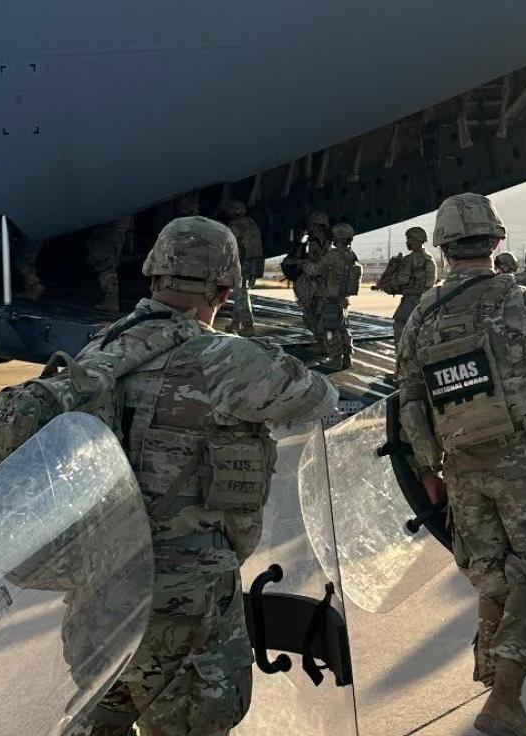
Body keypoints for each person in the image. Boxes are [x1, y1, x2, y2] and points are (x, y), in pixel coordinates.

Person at [63, 216, 338, 736]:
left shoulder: (98, 352)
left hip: (99, 592)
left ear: (153, 278)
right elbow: (320, 396)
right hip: (186, 599)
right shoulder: (224, 360)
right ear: (225, 287)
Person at [396, 194, 526, 736]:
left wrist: (429, 467)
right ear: (496, 241)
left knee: (489, 571)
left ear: (443, 248)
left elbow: (410, 397)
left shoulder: (422, 316)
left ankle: (489, 669)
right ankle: (505, 697)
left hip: (460, 466)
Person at [378, 226, 438, 341]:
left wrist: (387, 283)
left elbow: (402, 280)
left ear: (415, 240)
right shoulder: (430, 259)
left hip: (410, 302)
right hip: (427, 303)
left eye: (409, 239)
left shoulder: (409, 260)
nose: (407, 242)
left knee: (400, 332)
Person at [316, 223, 361, 370]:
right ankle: (347, 357)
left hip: (331, 299)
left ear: (339, 238)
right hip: (343, 300)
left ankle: (335, 358)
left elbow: (315, 269)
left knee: (329, 330)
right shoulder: (351, 254)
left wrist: (301, 263)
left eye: (335, 237)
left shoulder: (333, 255)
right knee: (343, 328)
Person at [221, 200, 263, 335]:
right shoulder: (251, 223)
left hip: (242, 264)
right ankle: (235, 323)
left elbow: (230, 245)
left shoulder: (234, 225)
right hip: (253, 264)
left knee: (241, 295)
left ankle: (247, 326)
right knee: (241, 293)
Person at [292, 211, 331, 335]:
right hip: (316, 283)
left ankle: (325, 345)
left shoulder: (319, 241)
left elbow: (318, 264)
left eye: (311, 225)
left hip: (320, 284)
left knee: (317, 316)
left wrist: (299, 262)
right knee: (313, 316)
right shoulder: (316, 240)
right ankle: (322, 344)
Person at [87, 216, 133, 312]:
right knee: (112, 257)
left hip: (108, 220)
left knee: (103, 258)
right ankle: (111, 299)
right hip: (121, 218)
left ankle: (111, 299)